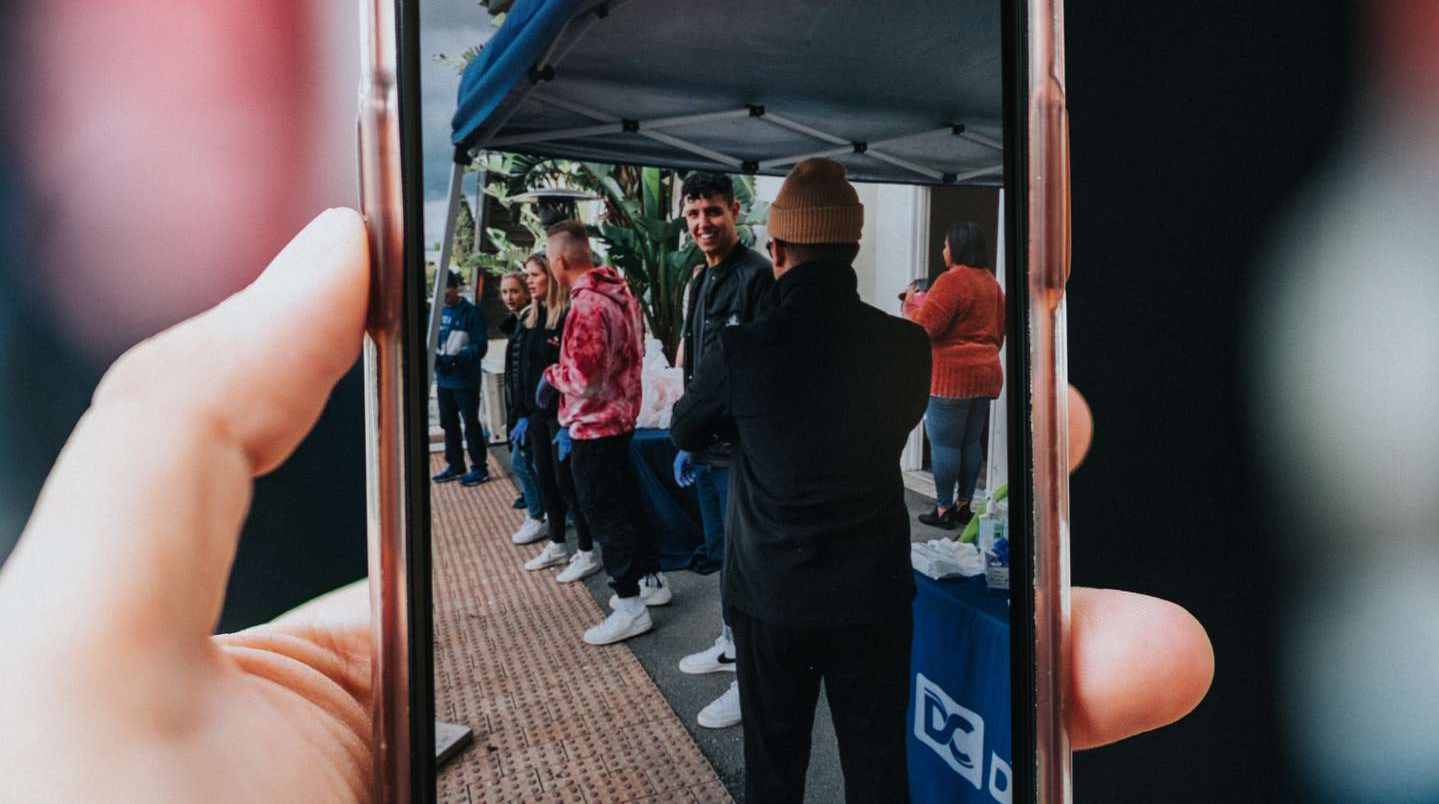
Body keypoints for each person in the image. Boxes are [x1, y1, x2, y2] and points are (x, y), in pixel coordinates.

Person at [0, 209, 1211, 801]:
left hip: (781, 549)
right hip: (851, 554)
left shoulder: (768, 324)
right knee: (872, 736)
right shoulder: (879, 337)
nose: (711, 231)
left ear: (782, 242)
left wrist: (707, 420)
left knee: (789, 741)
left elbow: (705, 409)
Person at [668, 158, 925, 802]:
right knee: (877, 766)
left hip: (772, 593)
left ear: (776, 247)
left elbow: (684, 428)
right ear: (855, 244)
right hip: (874, 591)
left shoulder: (743, 349)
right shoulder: (907, 344)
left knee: (775, 767)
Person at [671, 171, 775, 731]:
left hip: (743, 452)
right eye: (693, 215)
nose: (703, 223)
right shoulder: (702, 280)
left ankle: (750, 683)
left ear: (735, 211)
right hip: (707, 446)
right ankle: (733, 644)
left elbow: (758, 372)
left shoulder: (757, 278)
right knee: (724, 556)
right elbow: (701, 364)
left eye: (712, 211)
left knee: (746, 562)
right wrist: (690, 433)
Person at [539, 219, 669, 645]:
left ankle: (630, 605)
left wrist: (550, 375)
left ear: (559, 261)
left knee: (605, 512)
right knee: (627, 506)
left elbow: (584, 377)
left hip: (594, 427)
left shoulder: (587, 305)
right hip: (622, 419)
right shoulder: (620, 291)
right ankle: (650, 581)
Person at [908, 221, 1006, 529]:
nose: (943, 250)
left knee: (945, 445)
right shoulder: (992, 283)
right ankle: (965, 506)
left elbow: (924, 327)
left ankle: (943, 510)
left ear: (959, 248)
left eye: (947, 245)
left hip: (951, 377)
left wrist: (911, 302)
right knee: (970, 443)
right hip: (985, 374)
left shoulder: (953, 280)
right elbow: (1000, 330)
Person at [516, 252, 602, 582]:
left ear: (550, 278)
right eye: (527, 275)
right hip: (537, 415)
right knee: (546, 479)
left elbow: (574, 371)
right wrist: (521, 414)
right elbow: (522, 371)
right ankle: (557, 543)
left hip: (562, 416)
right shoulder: (530, 319)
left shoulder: (565, 316)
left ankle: (586, 549)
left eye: (534, 275)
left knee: (568, 483)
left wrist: (567, 421)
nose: (529, 281)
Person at [431, 269, 490, 487]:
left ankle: (480, 467)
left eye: (446, 288)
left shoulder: (471, 313)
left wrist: (455, 359)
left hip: (465, 381)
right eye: (439, 289)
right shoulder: (434, 314)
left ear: (455, 288)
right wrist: (438, 360)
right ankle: (455, 465)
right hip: (444, 380)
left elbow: (480, 347)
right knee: (448, 423)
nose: (443, 294)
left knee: (471, 424)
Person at [497, 270, 543, 518]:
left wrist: (523, 411)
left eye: (514, 291)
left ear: (527, 293)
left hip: (528, 408)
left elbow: (525, 373)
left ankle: (538, 513)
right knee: (526, 461)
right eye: (504, 292)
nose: (509, 297)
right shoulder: (517, 324)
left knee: (521, 462)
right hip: (521, 407)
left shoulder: (528, 324)